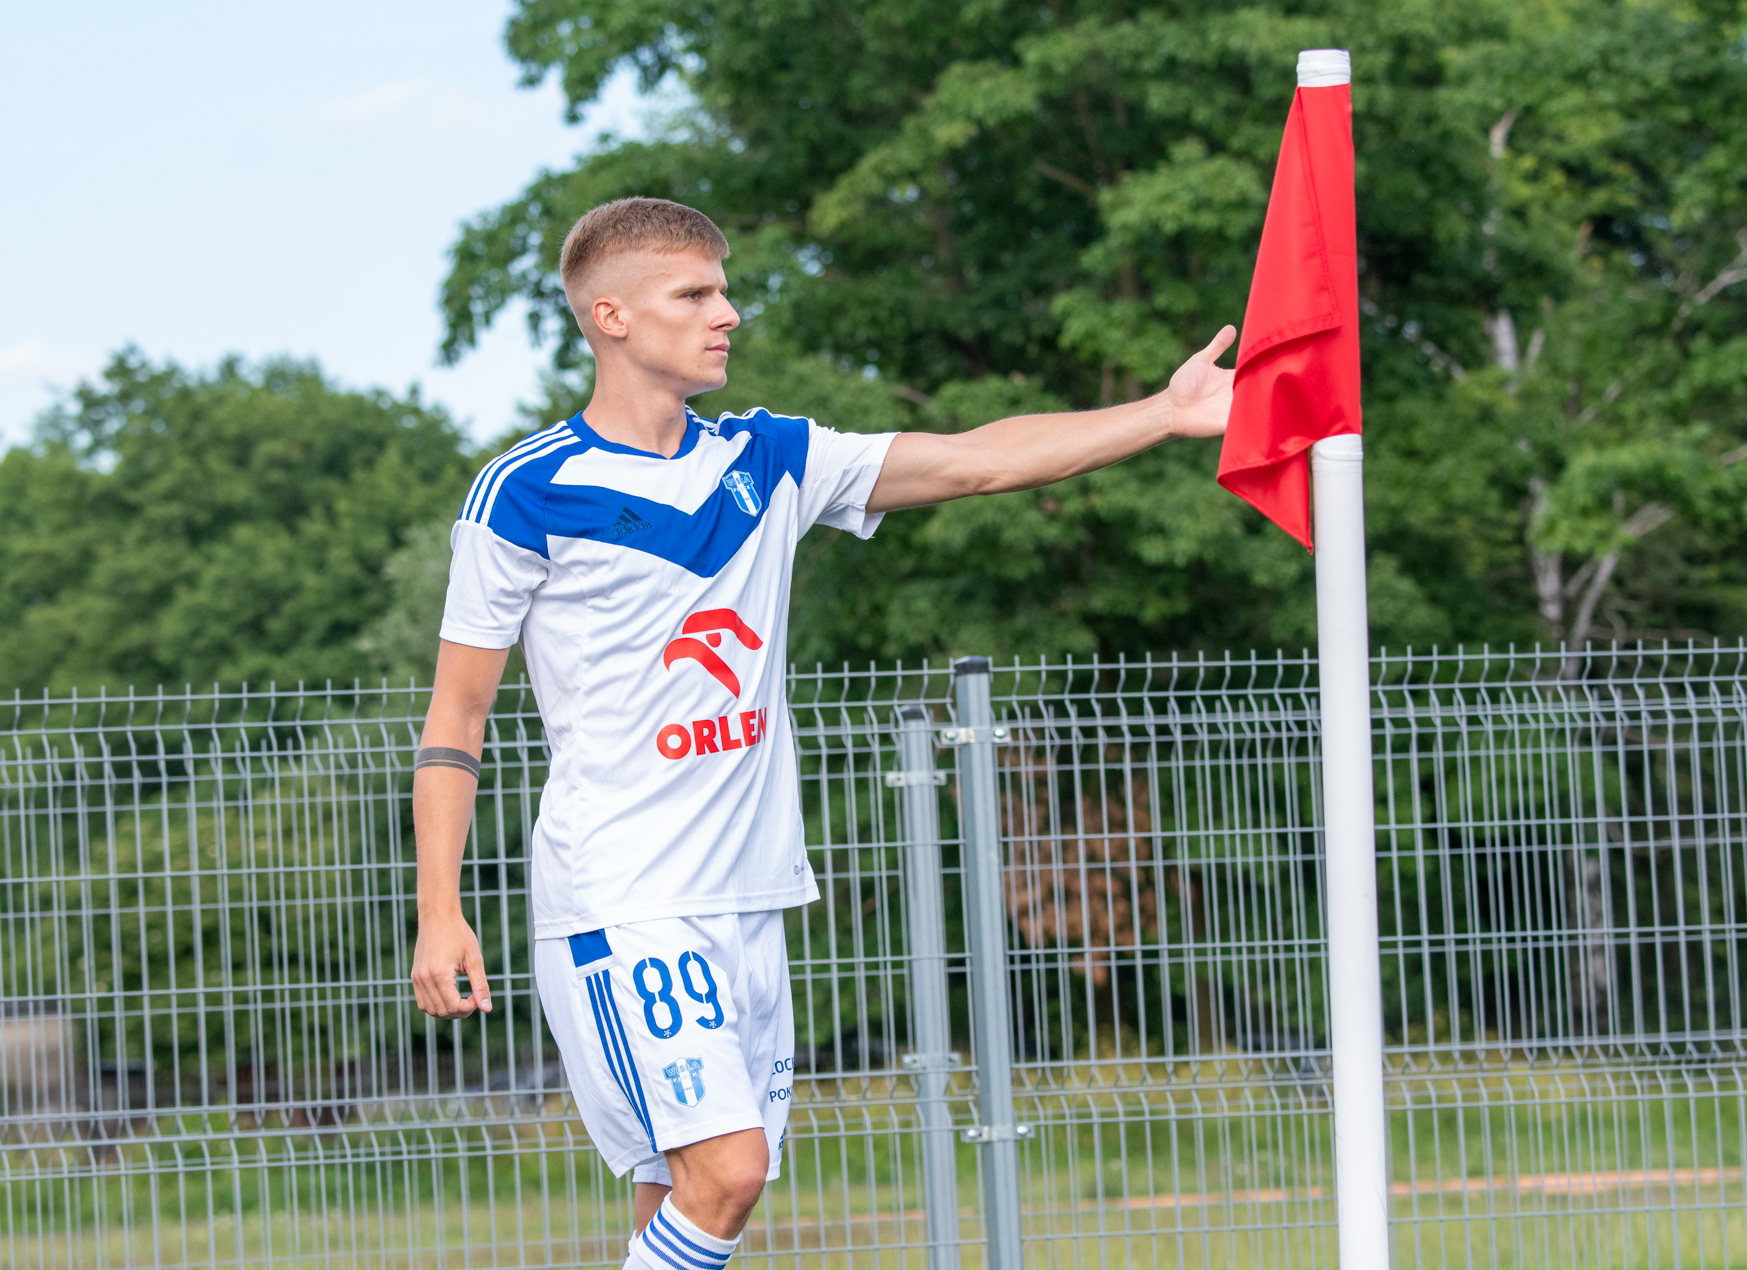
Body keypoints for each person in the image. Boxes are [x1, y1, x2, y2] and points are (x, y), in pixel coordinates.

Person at [409, 197, 1234, 1270]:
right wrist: (440, 909)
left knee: (684, 1196)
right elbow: (456, 717)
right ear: (611, 315)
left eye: (724, 289)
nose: (727, 314)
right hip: (624, 897)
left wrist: (1164, 412)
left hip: (753, 896)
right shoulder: (526, 492)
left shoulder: (770, 458)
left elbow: (975, 460)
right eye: (695, 294)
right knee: (730, 1173)